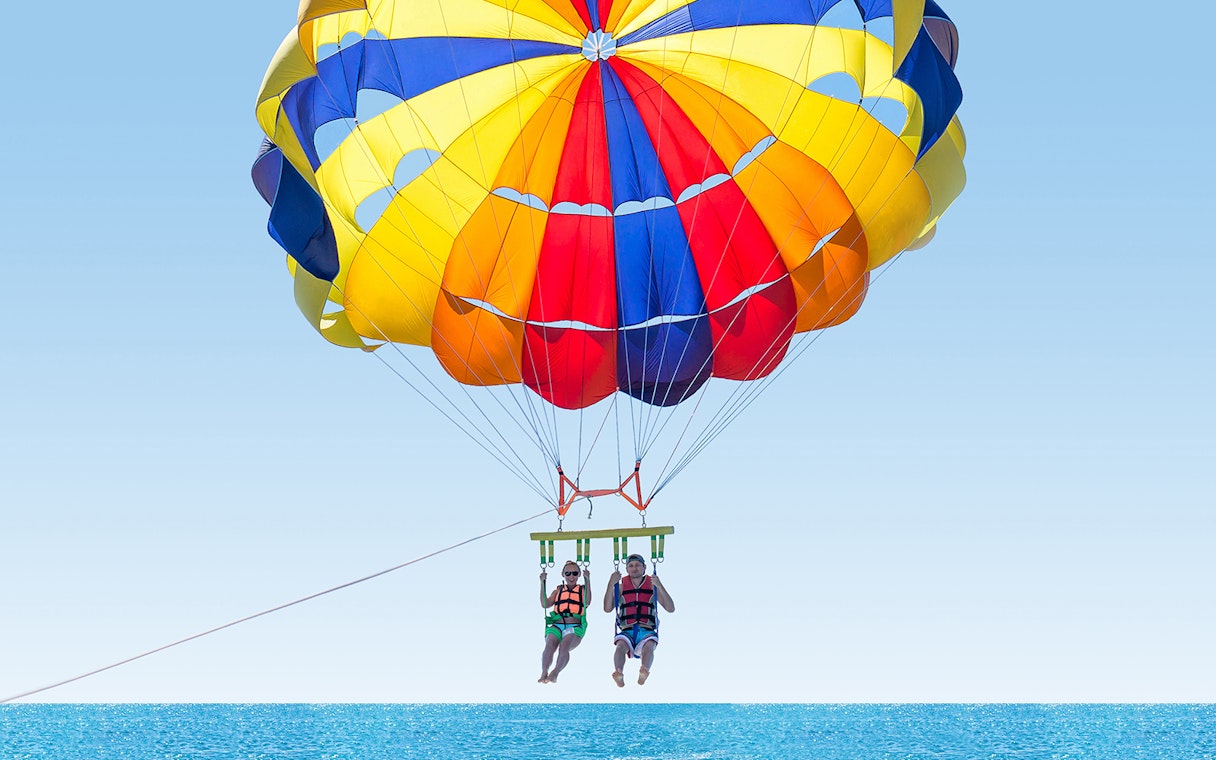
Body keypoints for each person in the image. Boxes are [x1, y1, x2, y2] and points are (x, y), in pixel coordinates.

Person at [603, 553, 674, 687]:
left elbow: (670, 608)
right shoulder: (622, 586)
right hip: (627, 630)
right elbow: (607, 608)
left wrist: (659, 585)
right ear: (627, 569)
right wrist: (610, 584)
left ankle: (644, 671)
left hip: (646, 630)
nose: (634, 568)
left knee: (649, 646)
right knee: (620, 646)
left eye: (637, 565)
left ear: (644, 567)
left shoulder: (652, 584)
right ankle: (619, 673)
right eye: (630, 566)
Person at [538, 560, 591, 684]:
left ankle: (555, 672)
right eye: (568, 573)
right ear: (563, 574)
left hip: (575, 626)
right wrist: (542, 583)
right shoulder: (558, 591)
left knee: (564, 646)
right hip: (557, 625)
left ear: (578, 574)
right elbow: (545, 604)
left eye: (574, 573)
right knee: (550, 643)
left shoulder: (582, 590)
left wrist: (588, 580)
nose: (571, 576)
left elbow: (587, 601)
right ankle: (544, 672)